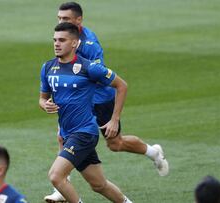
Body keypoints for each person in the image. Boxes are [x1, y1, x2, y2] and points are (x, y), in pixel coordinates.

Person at [44, 2, 169, 202]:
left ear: (79, 20)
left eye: (66, 19)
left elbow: (100, 76)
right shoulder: (64, 38)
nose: (61, 22)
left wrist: (114, 118)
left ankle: (153, 152)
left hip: (100, 99)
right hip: (81, 100)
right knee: (63, 136)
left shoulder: (90, 44)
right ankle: (61, 187)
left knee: (115, 144)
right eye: (59, 18)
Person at [39, 22, 132, 203]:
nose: (57, 44)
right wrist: (45, 105)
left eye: (62, 40)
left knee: (56, 176)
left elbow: (121, 85)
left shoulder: (89, 67)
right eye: (55, 40)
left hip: (84, 133)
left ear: (75, 43)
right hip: (68, 134)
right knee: (99, 185)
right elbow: (42, 98)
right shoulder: (48, 68)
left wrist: (114, 119)